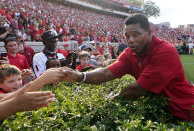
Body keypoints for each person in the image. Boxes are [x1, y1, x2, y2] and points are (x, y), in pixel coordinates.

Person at [60, 14, 194, 121]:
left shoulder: (165, 51)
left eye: (135, 35)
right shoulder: (130, 52)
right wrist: (79, 76)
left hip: (188, 109)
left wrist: (111, 100)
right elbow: (106, 72)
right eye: (127, 35)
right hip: (166, 111)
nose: (130, 40)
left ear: (149, 32)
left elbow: (139, 89)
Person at [0, 66, 66, 121]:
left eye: (19, 79)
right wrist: (42, 80)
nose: (17, 83)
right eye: (11, 81)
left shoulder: (14, 87)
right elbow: (8, 97)